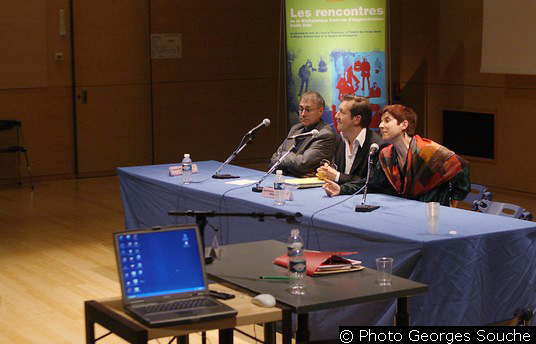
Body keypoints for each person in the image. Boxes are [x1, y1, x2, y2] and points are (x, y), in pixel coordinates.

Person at [323, 105, 470, 206]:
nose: (380, 125)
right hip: (406, 213)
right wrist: (341, 189)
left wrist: (454, 201)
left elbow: (461, 167)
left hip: (432, 214)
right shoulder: (387, 154)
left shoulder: (427, 150)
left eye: (387, 121)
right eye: (381, 121)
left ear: (404, 125)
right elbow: (370, 183)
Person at [317, 95, 382, 184]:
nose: (336, 116)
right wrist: (327, 171)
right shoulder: (339, 139)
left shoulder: (376, 145)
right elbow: (336, 170)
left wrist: (338, 176)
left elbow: (372, 183)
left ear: (357, 119)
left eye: (342, 113)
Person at [269, 91, 335, 178]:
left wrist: (283, 159)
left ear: (321, 111)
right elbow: (273, 161)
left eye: (308, 110)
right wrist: (294, 169)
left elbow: (302, 164)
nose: (303, 114)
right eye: (301, 109)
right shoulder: (295, 129)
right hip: (289, 180)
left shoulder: (325, 134)